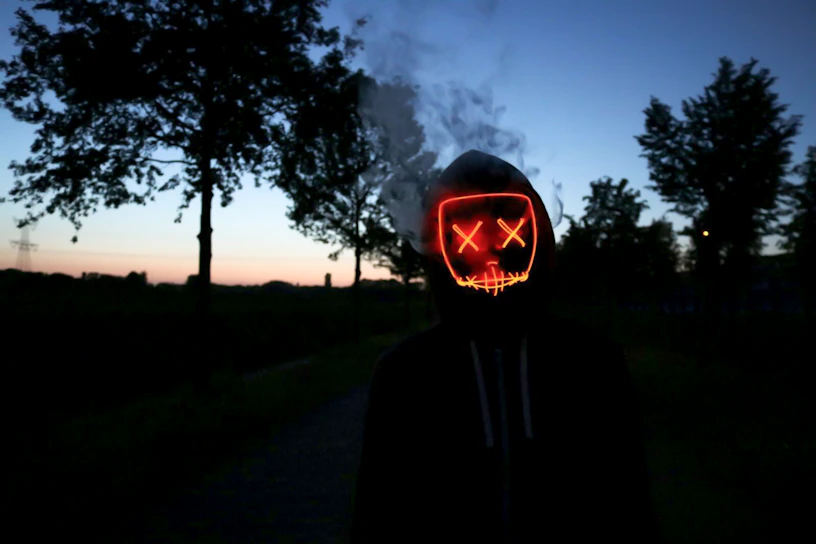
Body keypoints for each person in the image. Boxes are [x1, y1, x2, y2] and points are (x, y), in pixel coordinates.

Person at [349, 150, 660, 543]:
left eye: (508, 232)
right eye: (468, 237)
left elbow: (630, 503)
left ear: (538, 235)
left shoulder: (593, 362)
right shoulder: (404, 373)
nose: (490, 257)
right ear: (438, 245)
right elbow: (378, 514)